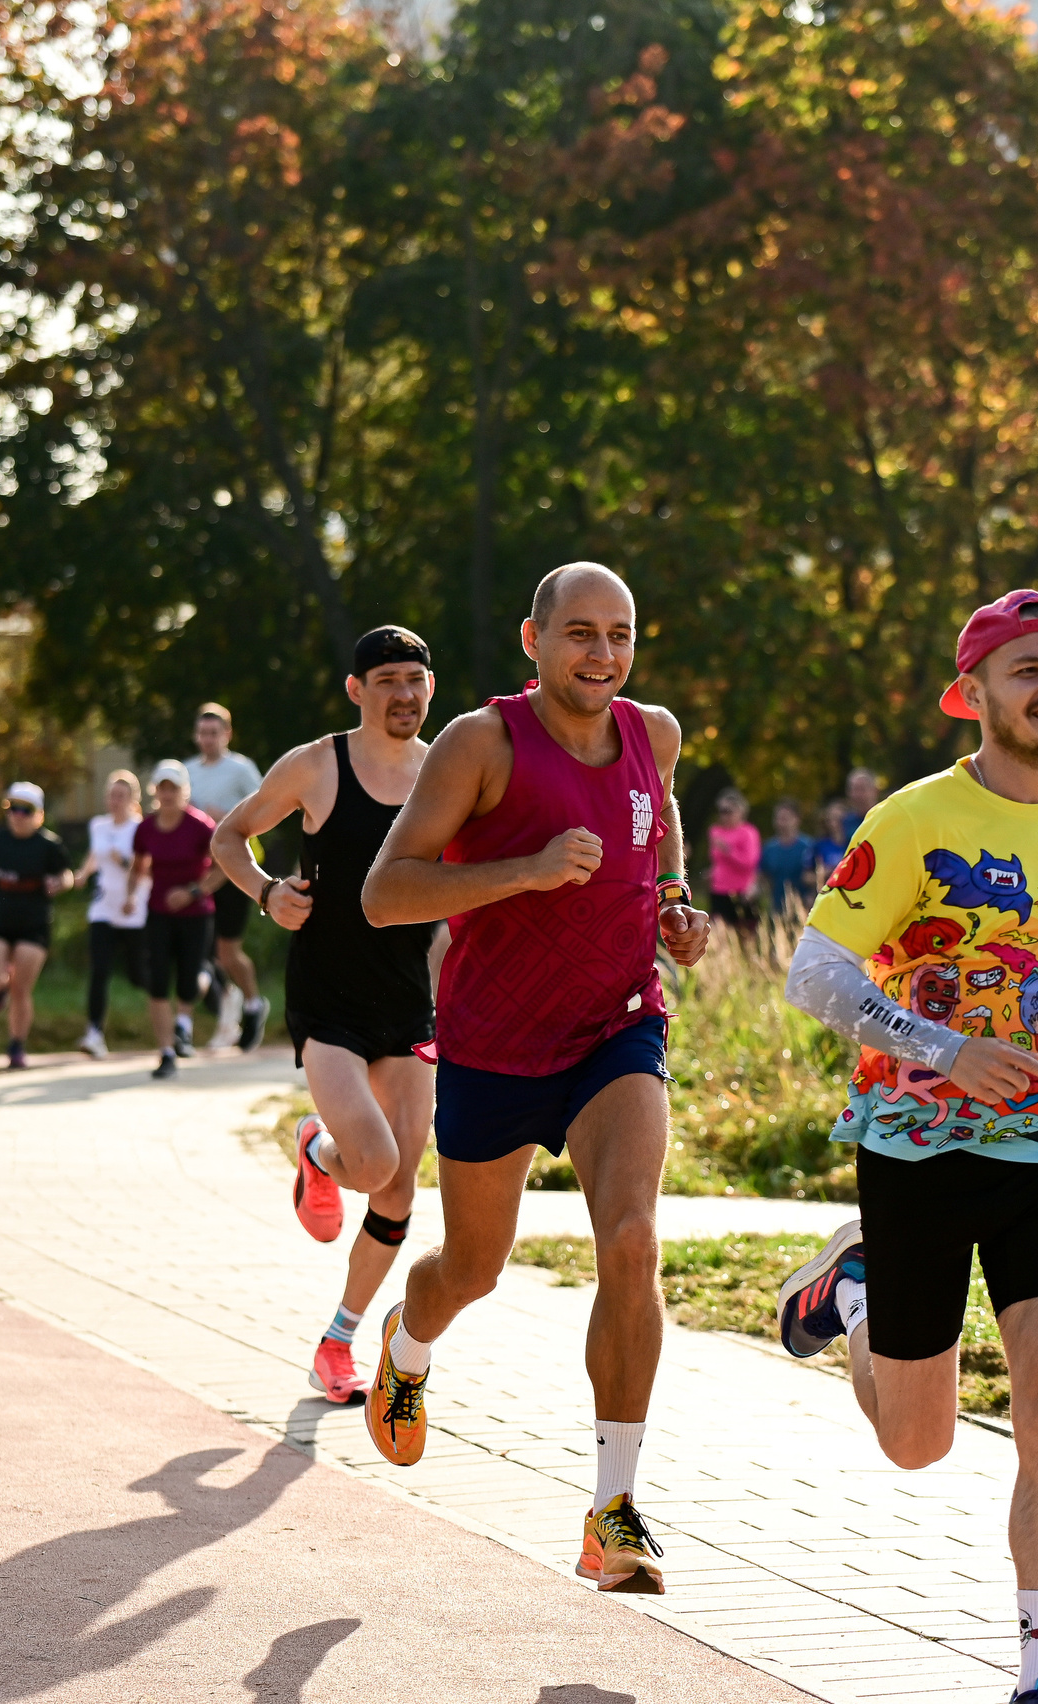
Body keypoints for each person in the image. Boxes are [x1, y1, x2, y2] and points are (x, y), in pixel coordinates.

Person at [769, 589, 1038, 1704]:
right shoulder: (911, 822)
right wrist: (943, 1050)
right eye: (1031, 670)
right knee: (916, 1442)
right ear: (978, 694)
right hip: (913, 1149)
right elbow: (814, 971)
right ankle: (851, 1290)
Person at [356, 562, 711, 1596]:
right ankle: (407, 1342)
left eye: (620, 635)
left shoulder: (655, 733)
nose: (602, 656)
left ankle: (614, 1509)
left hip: (616, 1029)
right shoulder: (481, 742)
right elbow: (385, 893)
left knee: (634, 1242)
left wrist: (675, 901)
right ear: (533, 639)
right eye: (580, 635)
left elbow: (662, 817)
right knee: (472, 1268)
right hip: (493, 1043)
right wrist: (521, 869)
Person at [212, 625, 443, 1404]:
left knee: (399, 1192)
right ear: (358, 691)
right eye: (386, 682)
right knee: (372, 1163)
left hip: (411, 1002)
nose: (403, 695)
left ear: (430, 688)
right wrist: (267, 893)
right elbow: (228, 836)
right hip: (330, 999)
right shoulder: (317, 765)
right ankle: (316, 1148)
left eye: (414, 680)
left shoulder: (445, 773)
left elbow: (452, 901)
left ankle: (337, 1341)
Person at [0, 782, 74, 1069]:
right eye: (13, 808)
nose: (18, 814)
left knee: (21, 990)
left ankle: (16, 1044)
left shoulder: (49, 845)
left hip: (33, 925)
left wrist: (58, 883)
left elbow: (67, 875)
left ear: (39, 814)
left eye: (26, 809)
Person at [130, 758, 222, 1078]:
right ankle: (167, 1051)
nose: (167, 794)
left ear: (184, 791)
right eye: (162, 788)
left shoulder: (201, 826)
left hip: (196, 914)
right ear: (155, 791)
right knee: (157, 982)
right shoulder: (145, 828)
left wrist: (193, 892)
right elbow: (139, 865)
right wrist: (130, 896)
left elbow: (222, 868)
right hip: (158, 912)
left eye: (173, 788)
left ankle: (185, 1020)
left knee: (189, 977)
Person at [187, 704, 269, 1051]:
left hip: (235, 865)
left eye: (214, 733)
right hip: (198, 866)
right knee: (202, 951)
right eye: (202, 733)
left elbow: (265, 806)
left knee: (227, 950)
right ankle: (227, 1008)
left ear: (227, 734)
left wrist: (228, 816)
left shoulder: (240, 768)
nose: (207, 739)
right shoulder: (187, 770)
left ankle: (253, 1003)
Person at [75, 770, 148, 1058]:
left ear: (133, 799)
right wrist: (81, 874)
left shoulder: (140, 828)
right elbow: (95, 854)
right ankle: (94, 1032)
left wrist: (125, 861)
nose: (115, 801)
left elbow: (146, 866)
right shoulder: (98, 825)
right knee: (99, 971)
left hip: (133, 908)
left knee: (137, 975)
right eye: (111, 795)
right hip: (103, 907)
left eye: (121, 796)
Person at [704, 788, 762, 933]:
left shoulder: (748, 832)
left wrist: (729, 851)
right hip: (719, 890)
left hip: (742, 892)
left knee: (745, 934)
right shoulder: (715, 831)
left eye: (728, 811)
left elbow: (749, 863)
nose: (724, 816)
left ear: (740, 811)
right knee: (718, 933)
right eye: (721, 811)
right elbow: (716, 861)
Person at [759, 799, 818, 914]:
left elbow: (818, 876)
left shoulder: (809, 846)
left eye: (785, 819)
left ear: (797, 819)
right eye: (778, 818)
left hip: (804, 907)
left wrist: (812, 894)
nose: (781, 823)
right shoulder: (769, 848)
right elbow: (763, 876)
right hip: (777, 907)